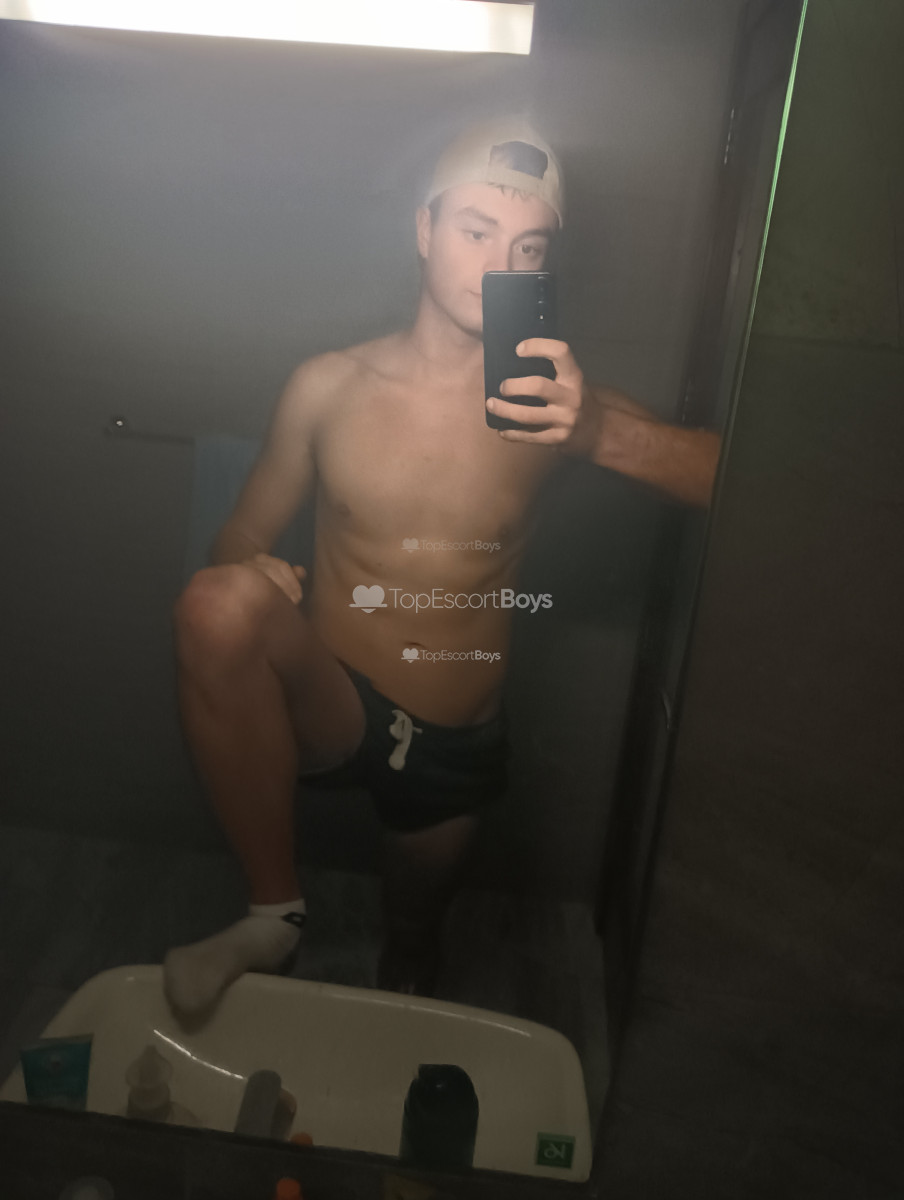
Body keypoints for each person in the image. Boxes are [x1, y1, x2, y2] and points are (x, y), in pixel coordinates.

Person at [163, 119, 719, 1015]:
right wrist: (255, 569)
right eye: (476, 231)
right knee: (215, 603)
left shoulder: (552, 402)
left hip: (453, 738)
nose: (501, 265)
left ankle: (409, 970)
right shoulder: (327, 386)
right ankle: (273, 913)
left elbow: (726, 479)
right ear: (424, 230)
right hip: (333, 698)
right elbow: (238, 536)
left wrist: (598, 434)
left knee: (416, 939)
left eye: (528, 248)